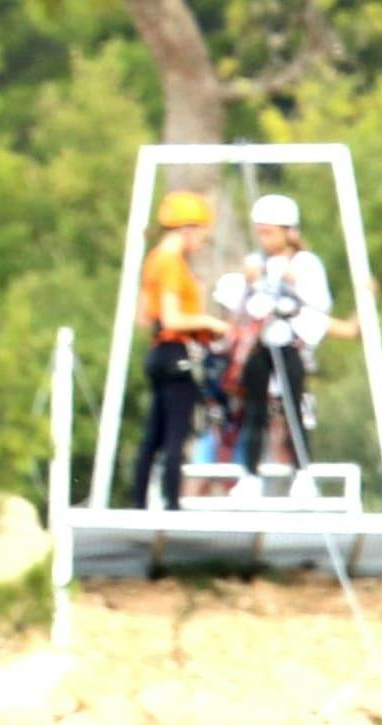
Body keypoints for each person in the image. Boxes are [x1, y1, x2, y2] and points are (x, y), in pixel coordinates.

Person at [219, 191, 344, 489]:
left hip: (290, 344)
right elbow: (236, 307)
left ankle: (302, 473)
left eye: (269, 233)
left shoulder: (305, 264)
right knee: (255, 411)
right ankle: (249, 474)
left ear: (288, 233)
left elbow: (320, 304)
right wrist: (247, 283)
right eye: (260, 233)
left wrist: (295, 285)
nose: (264, 239)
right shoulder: (255, 263)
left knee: (293, 410)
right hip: (260, 344)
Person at [122, 187, 218, 512]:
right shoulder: (172, 264)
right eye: (201, 234)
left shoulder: (153, 261)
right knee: (177, 433)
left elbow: (142, 318)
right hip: (177, 353)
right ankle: (172, 502)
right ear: (188, 229)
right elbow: (173, 316)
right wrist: (210, 322)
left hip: (158, 353)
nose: (201, 242)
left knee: (155, 433)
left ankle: (138, 500)